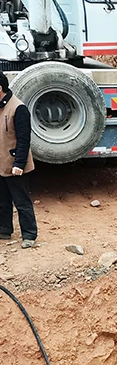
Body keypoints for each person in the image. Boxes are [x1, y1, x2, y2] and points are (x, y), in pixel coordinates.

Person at [0, 72, 37, 248]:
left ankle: (29, 235)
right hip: (1, 163)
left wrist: (19, 164)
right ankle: (4, 230)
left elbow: (24, 139)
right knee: (2, 200)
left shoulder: (18, 108)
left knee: (21, 201)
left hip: (15, 164)